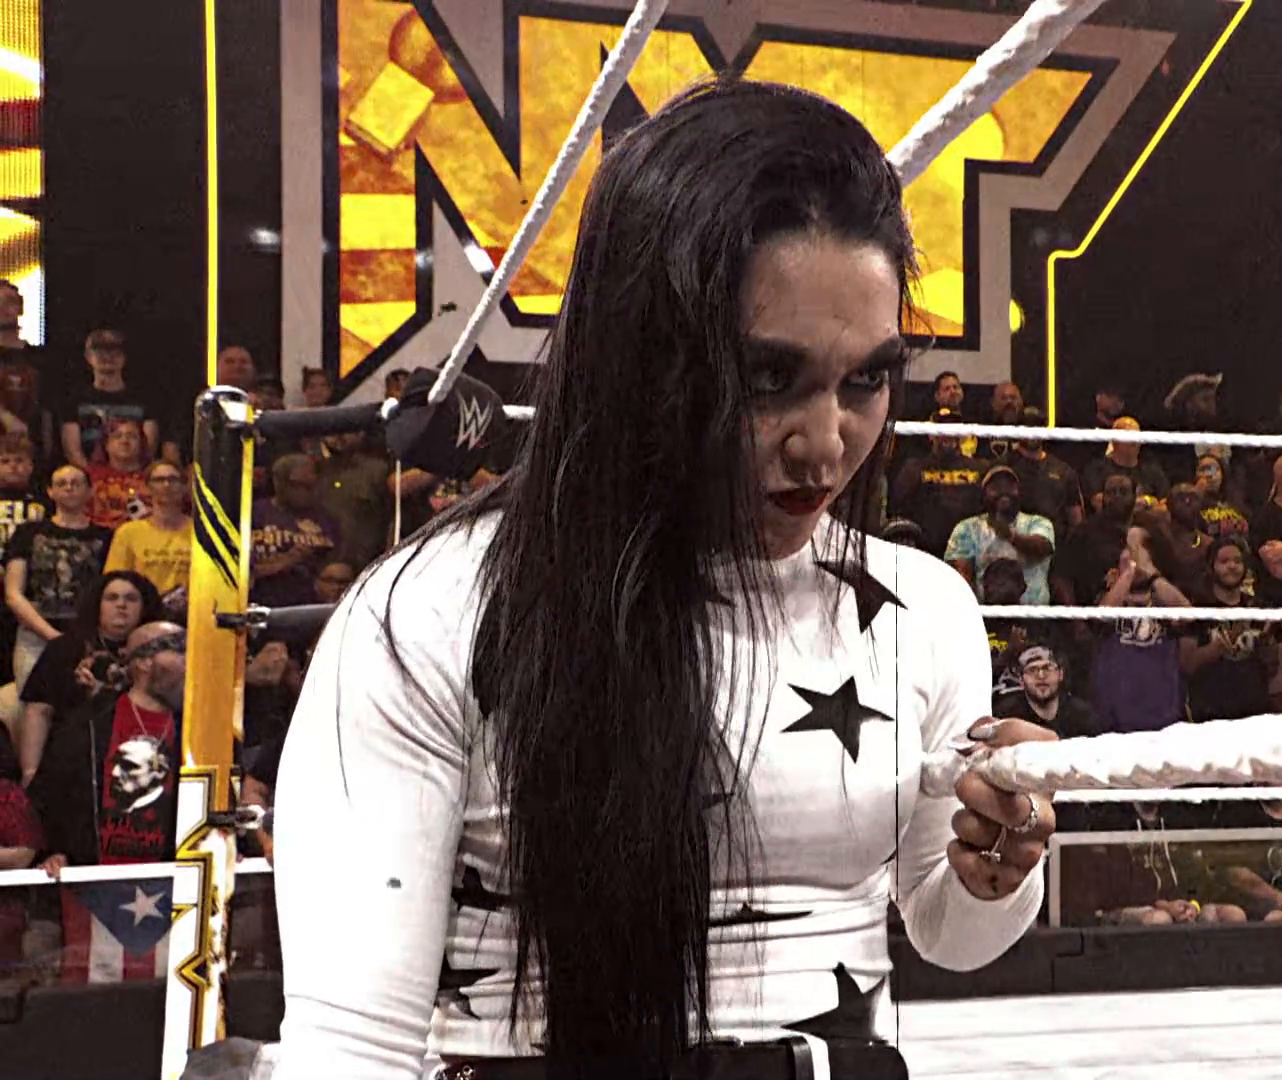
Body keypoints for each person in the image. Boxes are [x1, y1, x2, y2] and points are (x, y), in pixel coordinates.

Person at [270, 80, 1056, 1080]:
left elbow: (948, 934)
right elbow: (351, 1048)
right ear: (643, 359)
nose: (826, 446)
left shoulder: (920, 608)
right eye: (767, 378)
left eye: (865, 378)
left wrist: (1000, 863)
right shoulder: (431, 612)